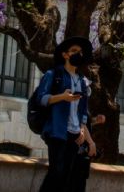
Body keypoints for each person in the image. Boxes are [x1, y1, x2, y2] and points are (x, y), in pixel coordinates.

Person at [36, 37, 96, 192]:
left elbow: (82, 111)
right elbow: (41, 99)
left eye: (80, 52)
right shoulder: (53, 74)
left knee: (67, 177)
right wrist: (62, 97)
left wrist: (83, 131)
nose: (78, 54)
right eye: (74, 51)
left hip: (75, 135)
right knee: (56, 173)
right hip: (57, 131)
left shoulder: (82, 81)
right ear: (65, 55)